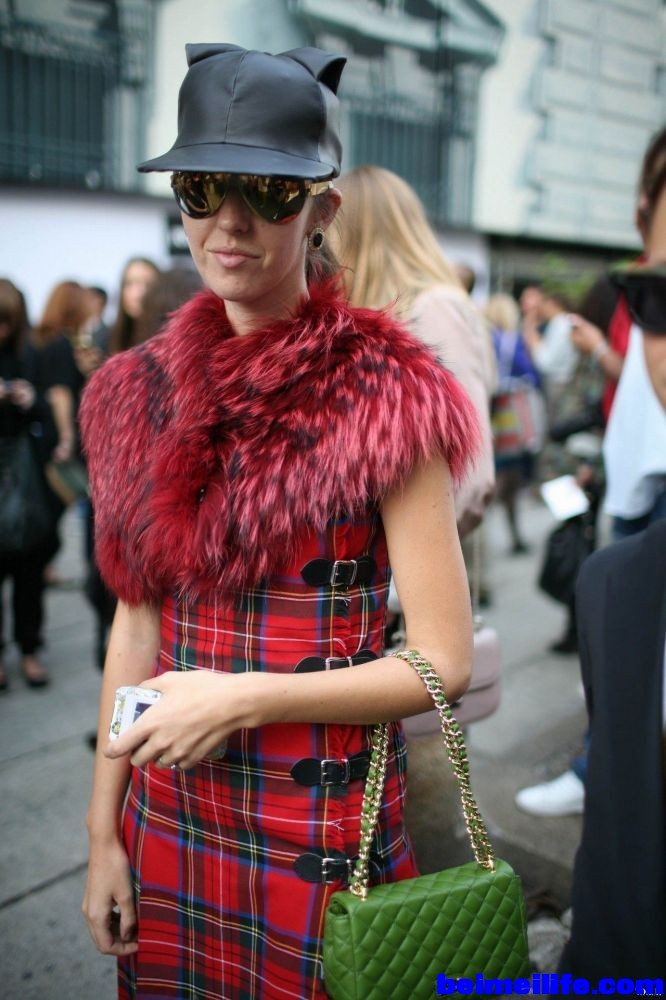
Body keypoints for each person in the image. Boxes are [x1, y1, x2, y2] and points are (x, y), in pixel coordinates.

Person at [80, 44, 478, 1000]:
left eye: (267, 190)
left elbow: (444, 662)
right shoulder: (135, 392)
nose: (230, 220)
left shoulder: (387, 394)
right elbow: (136, 625)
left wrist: (242, 699)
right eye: (201, 188)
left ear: (321, 211)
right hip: (169, 813)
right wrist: (101, 834)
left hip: (318, 823)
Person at [330, 164, 495, 540]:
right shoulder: (371, 312)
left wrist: (400, 561)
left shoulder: (434, 309)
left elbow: (471, 477)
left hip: (412, 564)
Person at [0, 279, 57, 688]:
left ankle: (29, 649)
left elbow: (49, 419)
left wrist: (29, 399)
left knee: (30, 571)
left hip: (26, 475)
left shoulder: (29, 354)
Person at [485, 293, 542, 555]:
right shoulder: (512, 339)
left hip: (490, 411)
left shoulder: (484, 337)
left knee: (499, 472)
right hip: (511, 412)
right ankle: (512, 533)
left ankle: (494, 534)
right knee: (510, 475)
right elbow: (530, 373)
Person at [107, 258, 160, 355]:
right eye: (130, 283)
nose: (138, 294)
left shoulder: (170, 340)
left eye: (148, 284)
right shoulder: (109, 339)